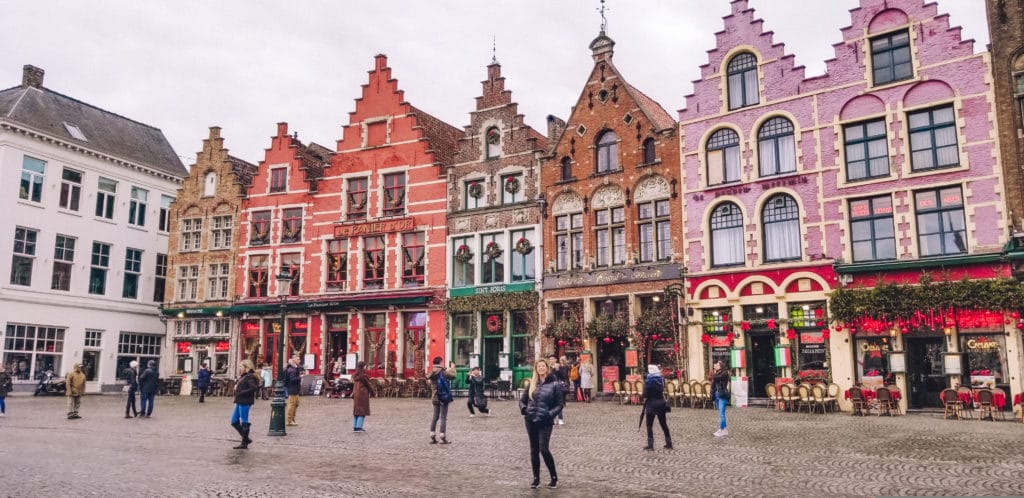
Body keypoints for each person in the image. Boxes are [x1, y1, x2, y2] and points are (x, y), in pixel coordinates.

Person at [519, 358, 562, 489]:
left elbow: (560, 404)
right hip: (530, 420)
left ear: (547, 368)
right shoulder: (531, 384)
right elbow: (522, 401)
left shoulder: (555, 384)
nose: (541, 368)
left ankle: (554, 477)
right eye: (539, 367)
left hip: (545, 421)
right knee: (534, 450)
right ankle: (536, 478)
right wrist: (525, 410)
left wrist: (549, 414)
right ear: (536, 369)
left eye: (543, 366)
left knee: (544, 448)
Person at [642, 364, 672, 450]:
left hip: (651, 404)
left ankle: (650, 445)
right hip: (661, 403)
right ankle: (669, 443)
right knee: (664, 424)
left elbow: (645, 394)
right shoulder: (661, 379)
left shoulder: (648, 381)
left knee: (649, 425)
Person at [230, 360, 259, 449]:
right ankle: (246, 438)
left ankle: (244, 443)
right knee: (234, 421)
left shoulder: (249, 377)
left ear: (246, 368)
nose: (239, 368)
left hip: (245, 400)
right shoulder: (243, 376)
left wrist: (241, 392)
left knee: (244, 421)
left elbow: (254, 388)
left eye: (241, 367)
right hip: (239, 400)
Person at [427, 356, 456, 444]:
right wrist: (453, 368)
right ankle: (442, 436)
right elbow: (453, 376)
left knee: (435, 417)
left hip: (435, 397)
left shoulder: (432, 371)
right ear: (440, 362)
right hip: (443, 397)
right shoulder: (442, 371)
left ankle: (432, 435)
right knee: (443, 417)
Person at [711, 360, 730, 437]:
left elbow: (716, 377)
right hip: (717, 395)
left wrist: (715, 371)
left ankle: (721, 429)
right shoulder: (717, 373)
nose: (716, 366)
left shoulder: (725, 373)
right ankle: (724, 429)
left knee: (722, 414)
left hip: (722, 395)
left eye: (718, 365)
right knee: (721, 413)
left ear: (721, 366)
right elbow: (713, 384)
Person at [351, 361, 371, 432]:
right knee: (362, 411)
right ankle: (359, 427)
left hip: (356, 394)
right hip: (362, 394)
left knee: (356, 411)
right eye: (365, 366)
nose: (366, 367)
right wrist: (373, 392)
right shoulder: (363, 376)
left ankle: (355, 426)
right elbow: (368, 385)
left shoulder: (355, 375)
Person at [548, 356, 566, 425]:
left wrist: (558, 370)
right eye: (550, 359)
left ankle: (560, 418)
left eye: (552, 359)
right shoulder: (548, 368)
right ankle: (553, 418)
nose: (551, 360)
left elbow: (563, 376)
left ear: (556, 360)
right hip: (550, 387)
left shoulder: (559, 367)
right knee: (551, 403)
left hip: (557, 387)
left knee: (559, 403)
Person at [285, 357, 302, 426]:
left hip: (295, 389)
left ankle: (292, 419)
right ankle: (289, 420)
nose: (299, 360)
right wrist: (300, 377)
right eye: (298, 359)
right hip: (293, 389)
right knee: (292, 405)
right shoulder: (292, 370)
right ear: (294, 361)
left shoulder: (294, 369)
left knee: (296, 404)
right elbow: (292, 379)